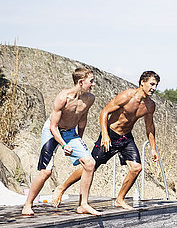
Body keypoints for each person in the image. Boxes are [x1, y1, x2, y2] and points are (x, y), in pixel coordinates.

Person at [53, 71, 160, 210]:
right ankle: (62, 188)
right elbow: (104, 112)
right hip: (110, 135)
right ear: (142, 82)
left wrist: (153, 148)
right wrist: (105, 134)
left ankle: (120, 199)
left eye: (156, 85)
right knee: (90, 166)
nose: (154, 88)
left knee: (137, 168)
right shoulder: (127, 96)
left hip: (126, 138)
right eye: (152, 84)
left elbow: (150, 127)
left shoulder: (150, 105)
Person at [22, 68, 100, 216]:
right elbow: (53, 126)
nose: (93, 84)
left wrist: (79, 141)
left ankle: (83, 204)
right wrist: (64, 145)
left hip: (70, 133)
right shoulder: (63, 97)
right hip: (52, 131)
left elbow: (83, 119)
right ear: (81, 82)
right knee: (46, 171)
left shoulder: (90, 98)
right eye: (91, 81)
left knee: (90, 164)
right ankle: (28, 204)